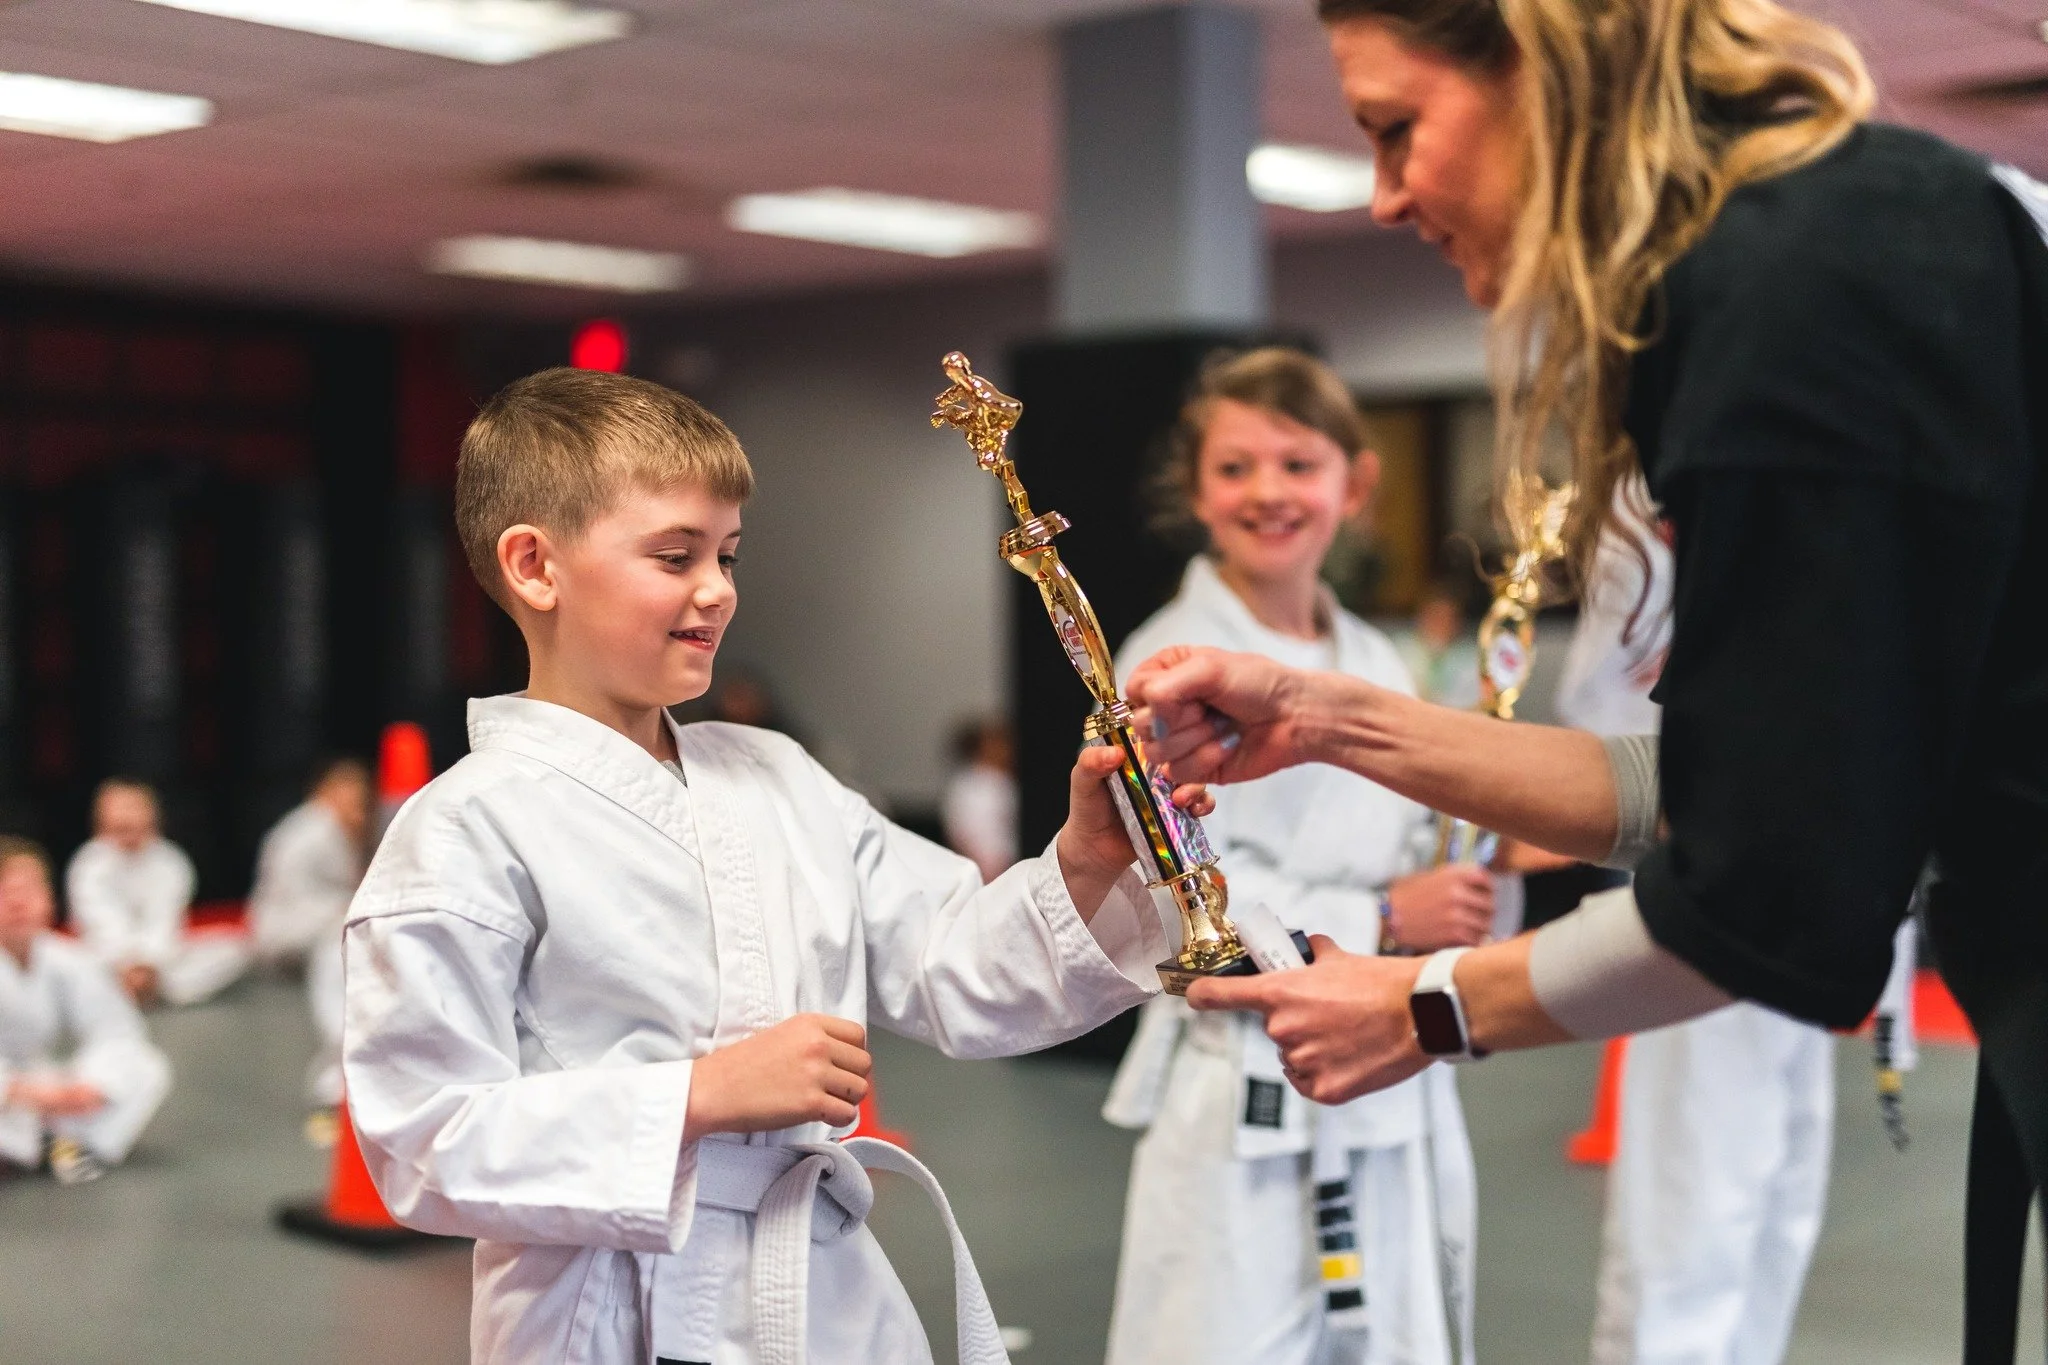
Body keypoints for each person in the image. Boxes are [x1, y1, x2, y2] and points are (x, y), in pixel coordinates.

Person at [1121, 2, 2048, 1355]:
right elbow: (1735, 788)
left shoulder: (1796, 282)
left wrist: (1425, 1006)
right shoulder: (1823, 233)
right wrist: (1325, 717)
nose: (1384, 196)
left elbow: (1765, 888)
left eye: (1396, 128)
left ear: (1541, 61)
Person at [342, 368, 1177, 1364]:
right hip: (609, 1308)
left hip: (821, 1285)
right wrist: (700, 1095)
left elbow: (951, 960)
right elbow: (422, 1138)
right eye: (675, 555)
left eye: (727, 554)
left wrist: (1084, 862)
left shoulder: (777, 776)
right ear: (534, 565)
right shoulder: (466, 827)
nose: (717, 589)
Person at [1102, 348, 1487, 1365]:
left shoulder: (1376, 656)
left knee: (1389, 1334)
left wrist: (1466, 868)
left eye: (1297, 464)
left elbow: (1407, 838)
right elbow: (1172, 893)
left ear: (1354, 486)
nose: (1267, 491)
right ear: (1194, 491)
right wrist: (1385, 916)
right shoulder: (1165, 659)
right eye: (1234, 468)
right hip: (1239, 1065)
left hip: (1381, 1044)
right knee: (1222, 1336)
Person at [1559, 488, 1835, 1365]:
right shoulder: (1664, 483)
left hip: (1817, 882)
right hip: (1707, 877)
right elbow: (1605, 703)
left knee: (1779, 1202)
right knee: (1689, 1218)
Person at [0, 837, 173, 1185]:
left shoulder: (66, 960)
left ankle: (60, 1145)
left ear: (49, 900)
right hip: (11, 1091)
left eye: (29, 890)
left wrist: (91, 1086)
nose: (19, 903)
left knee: (146, 1067)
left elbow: (116, 1030)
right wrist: (20, 1091)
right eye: (5, 892)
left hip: (35, 1086)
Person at [248, 757, 372, 1123]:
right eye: (348, 791)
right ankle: (339, 1048)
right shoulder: (309, 830)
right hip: (286, 929)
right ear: (326, 791)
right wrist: (343, 907)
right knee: (337, 943)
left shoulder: (339, 829)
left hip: (314, 923)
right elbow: (292, 898)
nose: (356, 801)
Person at [67, 778, 250, 1007]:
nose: (126, 817)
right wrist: (127, 964)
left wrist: (148, 964)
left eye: (133, 807)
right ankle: (132, 990)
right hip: (107, 960)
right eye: (119, 809)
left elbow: (164, 923)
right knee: (62, 959)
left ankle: (143, 991)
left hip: (160, 963)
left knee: (234, 947)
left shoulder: (171, 861)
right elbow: (101, 925)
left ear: (151, 815)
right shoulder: (88, 863)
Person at [940, 718, 1017, 884]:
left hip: (1008, 868)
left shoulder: (1006, 783)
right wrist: (979, 864)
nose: (1004, 750)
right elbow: (958, 831)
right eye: (995, 744)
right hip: (977, 868)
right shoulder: (965, 785)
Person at [1390, 581, 1479, 710]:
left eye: (1447, 618)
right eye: (1435, 615)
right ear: (1421, 617)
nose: (1441, 624)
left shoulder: (1471, 657)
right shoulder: (1400, 649)